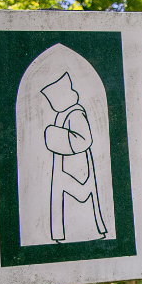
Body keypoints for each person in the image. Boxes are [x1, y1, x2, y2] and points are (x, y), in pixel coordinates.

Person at [41, 72, 107, 242]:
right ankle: (64, 235)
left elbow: (85, 140)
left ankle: (90, 233)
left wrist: (54, 135)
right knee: (63, 200)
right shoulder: (61, 114)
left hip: (76, 168)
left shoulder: (75, 113)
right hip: (63, 167)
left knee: (80, 198)